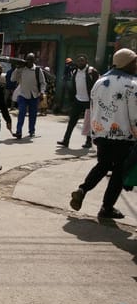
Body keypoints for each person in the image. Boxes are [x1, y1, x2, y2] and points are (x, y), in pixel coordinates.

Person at [69, 48, 137, 220]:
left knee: (103, 164)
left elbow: (94, 109)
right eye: (134, 62)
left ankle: (83, 189)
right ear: (127, 63)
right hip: (123, 137)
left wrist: (94, 132)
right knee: (119, 172)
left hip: (101, 133)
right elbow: (135, 116)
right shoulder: (132, 84)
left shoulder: (100, 81)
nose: (136, 66)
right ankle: (107, 208)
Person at [57, 55, 99, 149]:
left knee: (88, 122)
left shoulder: (91, 71)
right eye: (79, 61)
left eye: (82, 61)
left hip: (89, 101)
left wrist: (95, 99)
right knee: (72, 121)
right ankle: (65, 140)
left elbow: (98, 85)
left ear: (86, 61)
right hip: (78, 100)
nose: (80, 62)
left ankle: (88, 142)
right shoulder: (75, 71)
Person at [10, 52, 46, 138]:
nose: (29, 61)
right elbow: (12, 79)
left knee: (33, 115)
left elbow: (42, 83)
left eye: (31, 59)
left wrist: (42, 92)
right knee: (21, 113)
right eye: (28, 59)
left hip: (34, 95)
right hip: (23, 95)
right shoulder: (21, 69)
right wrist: (17, 69)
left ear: (34, 60)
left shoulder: (38, 70)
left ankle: (32, 131)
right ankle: (18, 132)